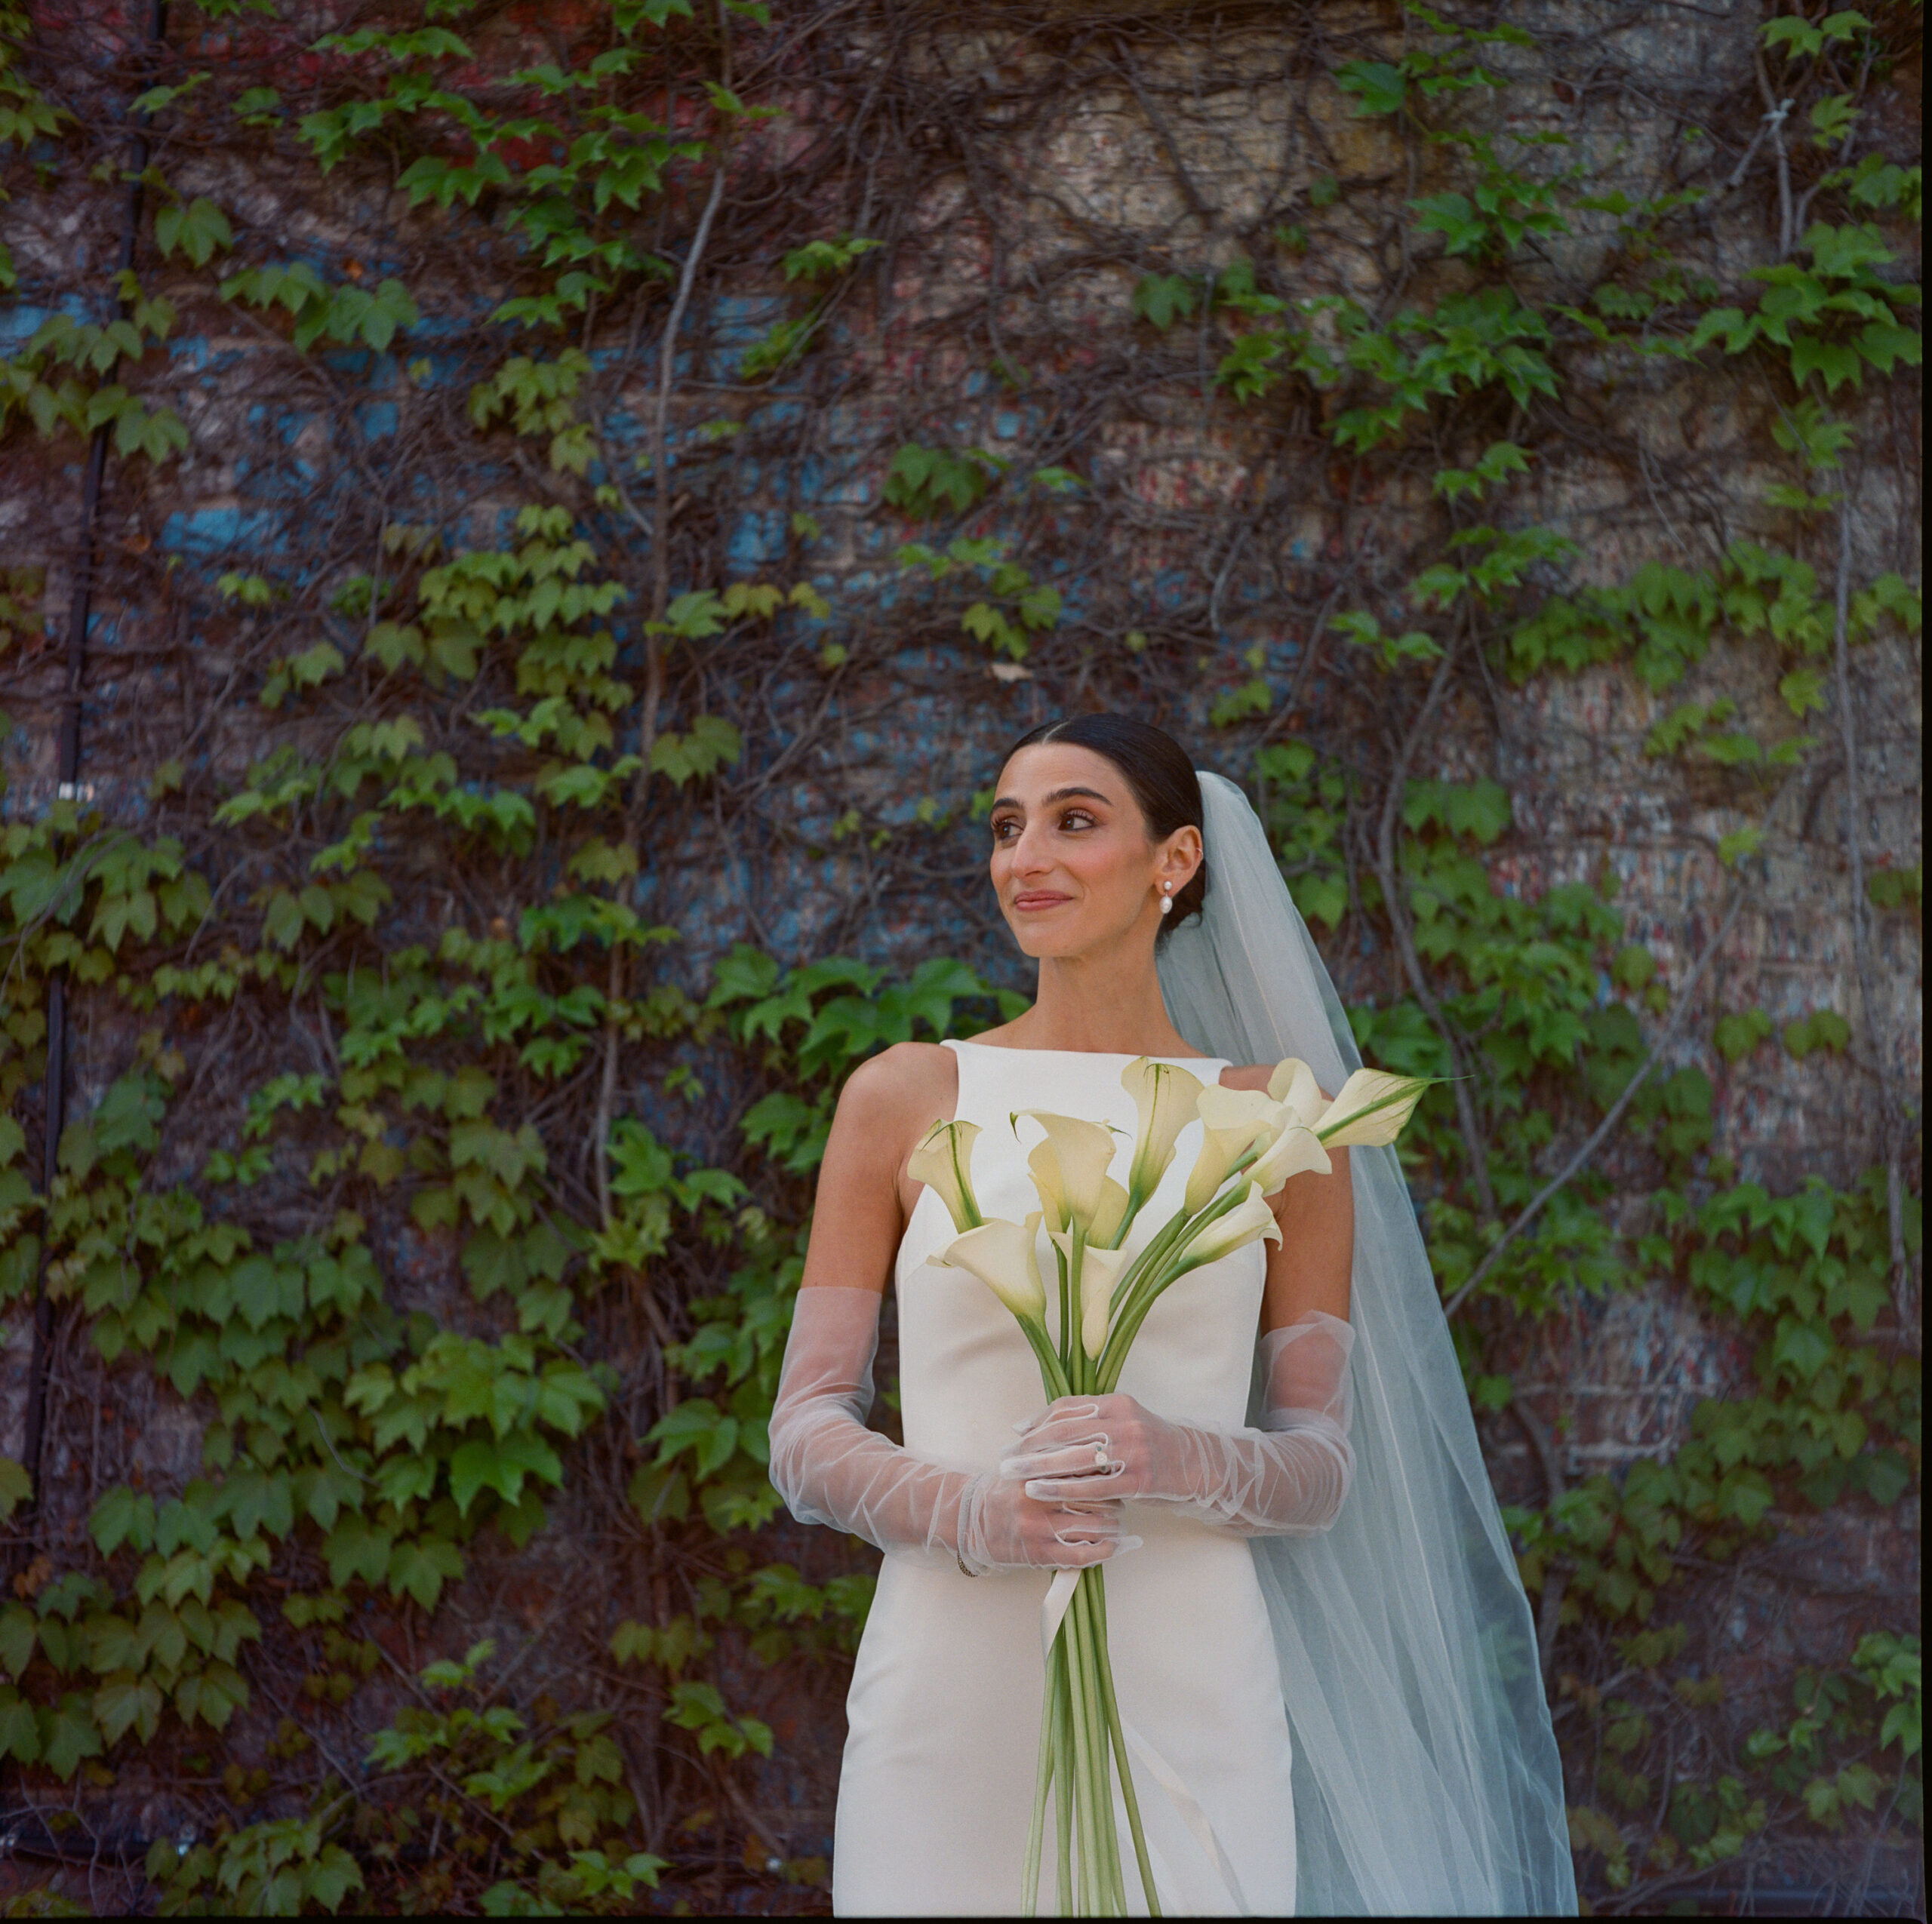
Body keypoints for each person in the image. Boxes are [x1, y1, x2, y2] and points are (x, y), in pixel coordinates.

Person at [767, 715, 1575, 1916]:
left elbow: (1320, 1464)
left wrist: (1172, 1452)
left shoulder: (1281, 1126)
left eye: (1073, 820)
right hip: (950, 1672)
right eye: (1005, 825)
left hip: (1189, 1668)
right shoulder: (904, 1094)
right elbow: (806, 1426)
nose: (1023, 855)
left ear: (1176, 860)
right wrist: (975, 1508)